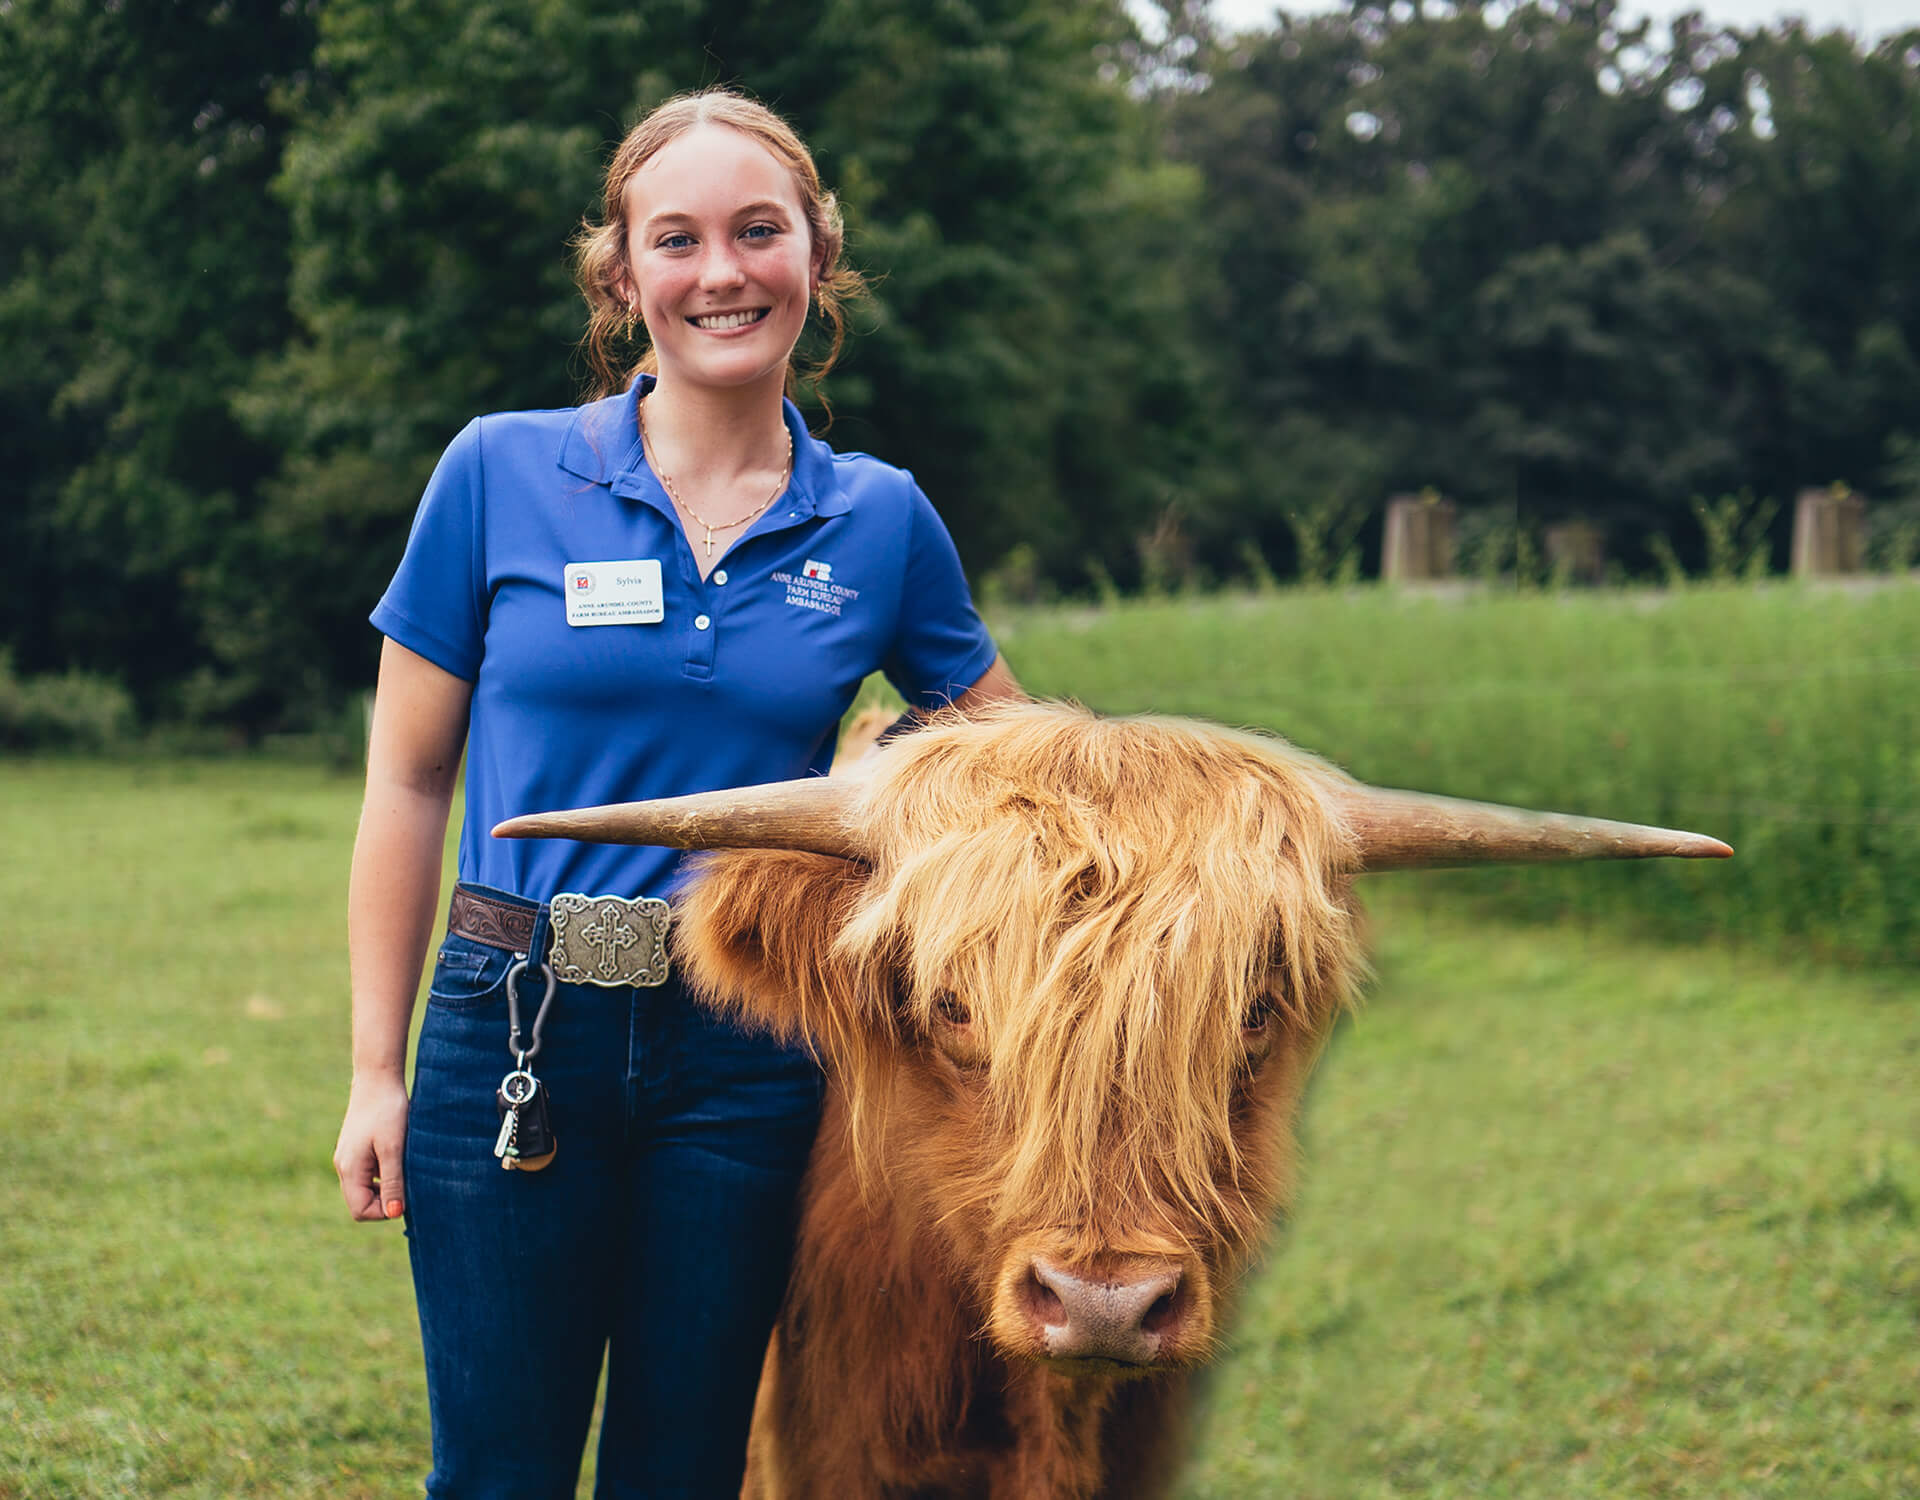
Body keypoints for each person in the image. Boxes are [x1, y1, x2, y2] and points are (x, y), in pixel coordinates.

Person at [332, 87, 1021, 1498]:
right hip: (512, 1024)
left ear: (815, 262)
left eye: (759, 233)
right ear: (624, 274)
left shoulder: (879, 518)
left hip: (752, 1051)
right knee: (500, 1476)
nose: (722, 273)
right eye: (679, 238)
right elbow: (407, 782)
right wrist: (375, 1072)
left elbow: (1026, 767)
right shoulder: (496, 471)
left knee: (684, 1470)